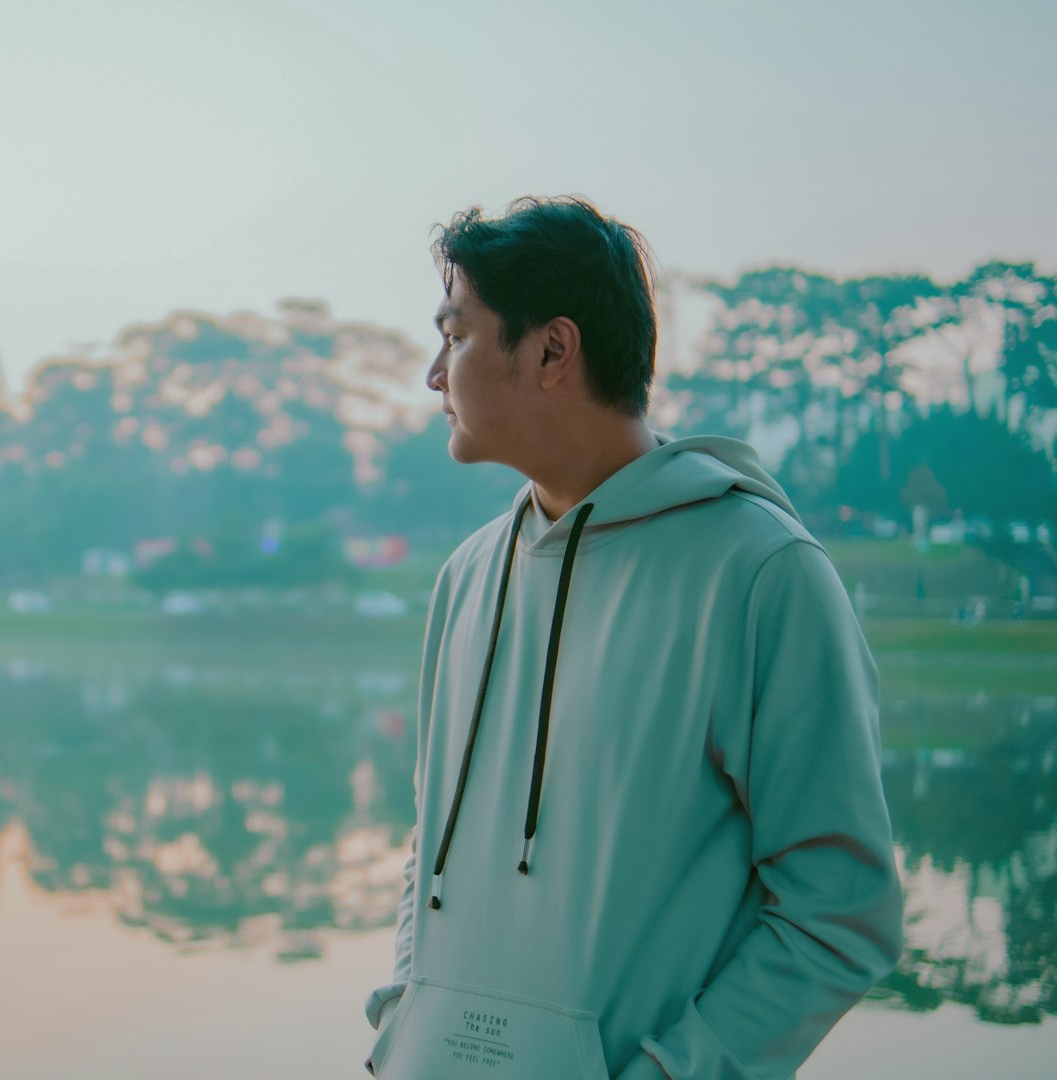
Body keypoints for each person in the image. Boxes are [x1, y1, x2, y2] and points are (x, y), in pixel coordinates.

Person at [361, 196, 904, 1079]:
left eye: (454, 336)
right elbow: (432, 850)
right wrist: (403, 1021)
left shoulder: (761, 572)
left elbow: (840, 911)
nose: (433, 373)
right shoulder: (465, 577)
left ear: (551, 350)